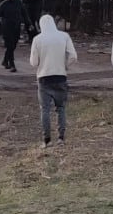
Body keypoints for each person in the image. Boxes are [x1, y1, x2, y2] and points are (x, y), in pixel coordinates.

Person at [28, 13, 78, 146]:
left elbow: (33, 62)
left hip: (43, 79)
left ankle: (47, 140)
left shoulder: (37, 39)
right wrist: (65, 65)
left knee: (45, 109)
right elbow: (73, 56)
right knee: (61, 108)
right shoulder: (64, 36)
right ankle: (61, 138)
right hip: (60, 76)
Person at [0, 0, 27, 72]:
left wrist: (29, 24)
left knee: (13, 45)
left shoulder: (19, 4)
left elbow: (25, 14)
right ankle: (12, 64)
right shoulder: (3, 4)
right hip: (6, 28)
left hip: (16, 28)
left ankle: (5, 61)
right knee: (9, 45)